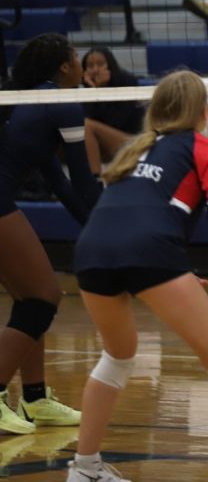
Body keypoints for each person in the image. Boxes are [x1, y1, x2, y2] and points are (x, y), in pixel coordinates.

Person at [67, 71, 208, 482]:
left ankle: (84, 470)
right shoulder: (205, 149)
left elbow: (139, 212)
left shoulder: (134, 149)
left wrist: (176, 269)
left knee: (117, 356)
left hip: (91, 249)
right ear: (204, 113)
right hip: (149, 250)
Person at [0, 34, 99, 437]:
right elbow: (85, 183)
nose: (81, 65)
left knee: (29, 298)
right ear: (64, 67)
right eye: (77, 58)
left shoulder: (36, 101)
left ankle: (36, 399)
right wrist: (109, 227)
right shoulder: (61, 103)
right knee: (44, 296)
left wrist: (94, 230)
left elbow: (60, 185)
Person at [81, 47, 145, 172]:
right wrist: (94, 91)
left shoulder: (127, 81)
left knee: (87, 126)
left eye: (100, 64)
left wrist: (99, 91)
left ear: (110, 65)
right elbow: (89, 117)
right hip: (106, 142)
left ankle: (95, 182)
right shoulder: (86, 90)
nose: (95, 69)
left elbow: (116, 121)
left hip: (133, 141)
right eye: (90, 65)